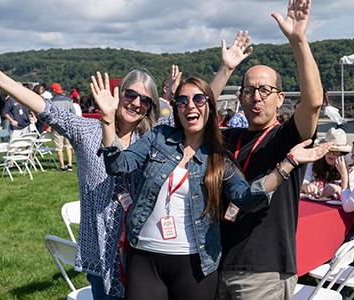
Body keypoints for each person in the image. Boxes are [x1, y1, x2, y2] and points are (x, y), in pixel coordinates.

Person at [0, 31, 267, 300]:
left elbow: (197, 106)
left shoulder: (157, 136)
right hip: (103, 255)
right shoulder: (88, 131)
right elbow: (45, 108)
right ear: (118, 95)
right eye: (131, 95)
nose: (136, 104)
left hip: (144, 251)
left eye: (145, 100)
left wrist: (225, 69)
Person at [95, 75, 330, 300]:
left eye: (199, 99)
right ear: (176, 108)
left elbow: (247, 198)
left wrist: (287, 164)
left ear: (209, 107)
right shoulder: (159, 136)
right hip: (145, 256)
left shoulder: (218, 156)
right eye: (182, 101)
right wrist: (107, 120)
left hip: (194, 262)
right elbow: (118, 165)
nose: (191, 107)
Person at [214, 1, 324, 299]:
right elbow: (196, 117)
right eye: (249, 90)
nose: (256, 97)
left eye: (265, 90)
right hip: (217, 263)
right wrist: (225, 68)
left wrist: (298, 41)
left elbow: (313, 103)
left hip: (264, 271)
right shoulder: (229, 138)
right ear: (240, 98)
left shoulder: (287, 137)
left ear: (280, 98)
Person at [301, 127, 353, 199]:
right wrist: (307, 186)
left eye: (335, 152)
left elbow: (350, 197)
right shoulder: (314, 163)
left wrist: (338, 188)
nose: (331, 155)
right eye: (328, 151)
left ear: (342, 154)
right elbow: (303, 182)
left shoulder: (349, 167)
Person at [49, 83, 75, 172]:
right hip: (68, 126)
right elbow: (73, 113)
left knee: (59, 147)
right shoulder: (69, 100)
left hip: (57, 126)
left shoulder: (51, 101)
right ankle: (70, 165)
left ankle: (62, 166)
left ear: (53, 91)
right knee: (68, 145)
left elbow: (50, 115)